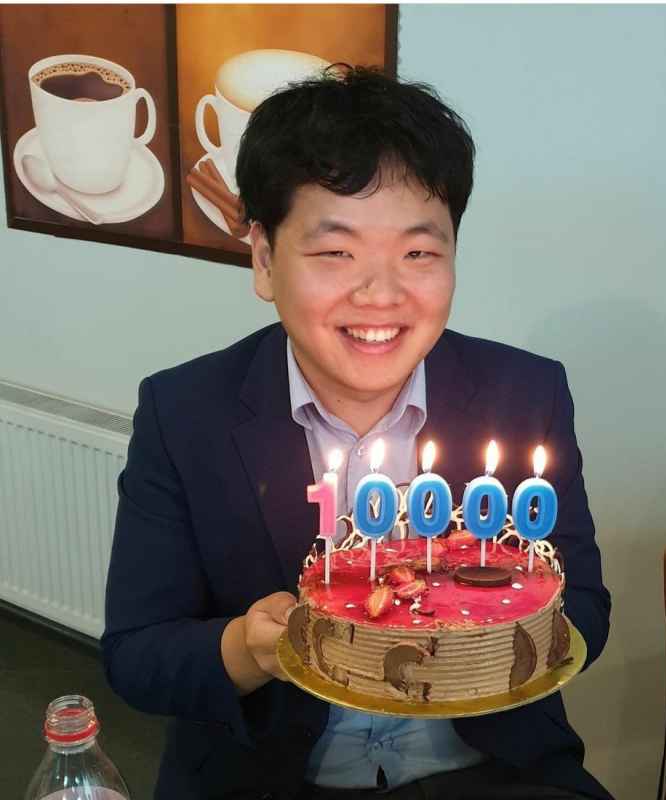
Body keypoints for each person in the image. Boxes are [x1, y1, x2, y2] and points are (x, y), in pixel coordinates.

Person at [101, 66, 612, 800]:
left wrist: (485, 631)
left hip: (493, 775)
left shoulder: (525, 394)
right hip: (269, 784)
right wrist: (246, 648)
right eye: (335, 252)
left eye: (419, 252)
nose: (381, 294)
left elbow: (584, 602)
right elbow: (136, 654)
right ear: (264, 258)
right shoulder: (185, 413)